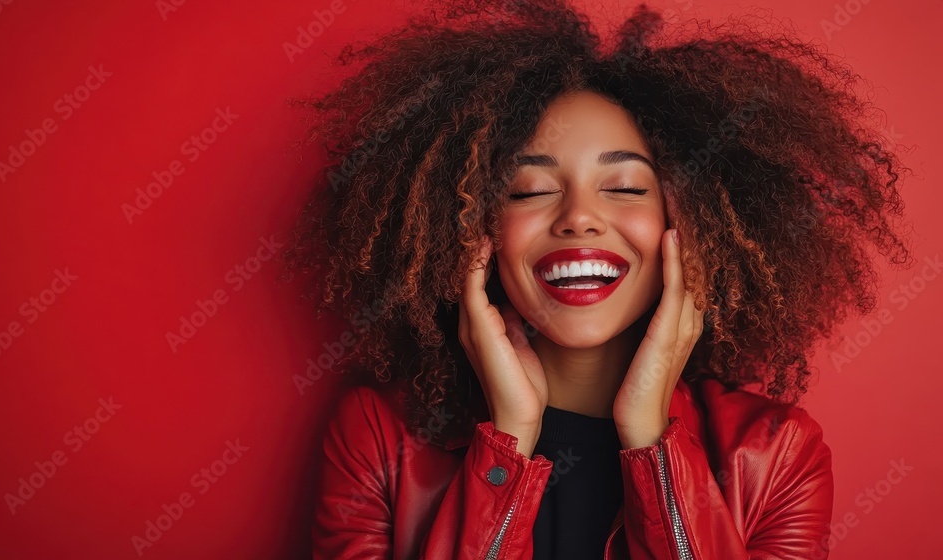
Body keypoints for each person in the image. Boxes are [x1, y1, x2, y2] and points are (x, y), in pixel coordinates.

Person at [283, 0, 912, 558]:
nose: (579, 217)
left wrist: (652, 442)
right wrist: (508, 441)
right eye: (528, 189)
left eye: (625, 187)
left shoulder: (776, 455)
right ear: (472, 229)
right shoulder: (376, 437)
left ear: (692, 224)